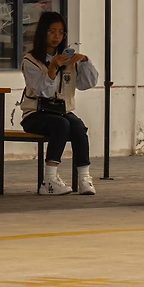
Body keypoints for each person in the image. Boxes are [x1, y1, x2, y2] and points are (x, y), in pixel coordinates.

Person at [19, 12, 99, 196]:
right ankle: (49, 180)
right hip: (35, 113)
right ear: (43, 33)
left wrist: (85, 62)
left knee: (78, 126)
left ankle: (84, 177)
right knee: (61, 124)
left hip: (62, 111)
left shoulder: (67, 60)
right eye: (52, 31)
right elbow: (42, 91)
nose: (57, 36)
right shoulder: (30, 60)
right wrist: (52, 67)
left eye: (61, 32)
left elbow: (86, 84)